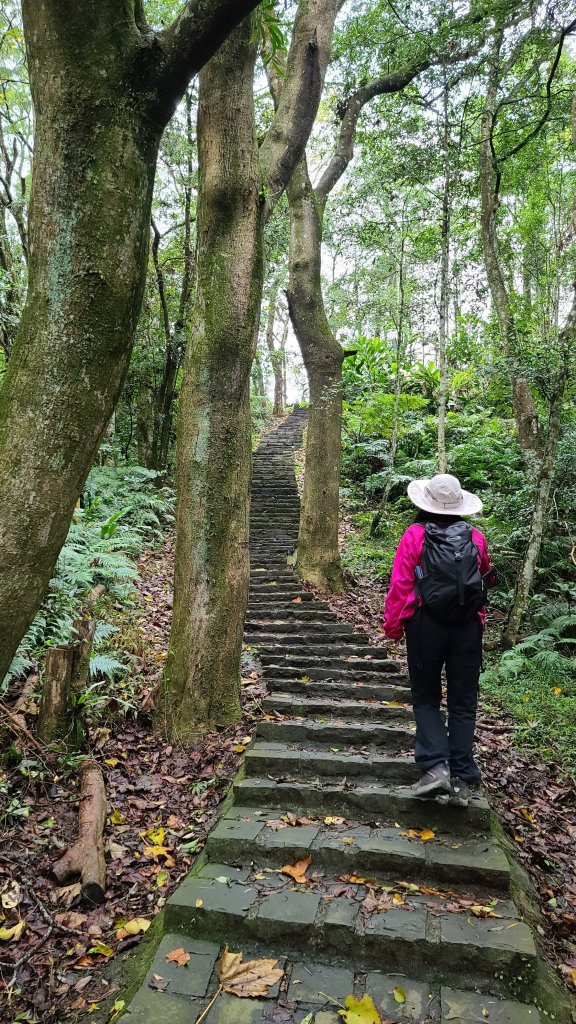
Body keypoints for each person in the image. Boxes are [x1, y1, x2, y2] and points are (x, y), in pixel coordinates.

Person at [383, 473, 495, 807]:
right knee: (463, 700)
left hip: (425, 625)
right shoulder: (476, 537)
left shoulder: (414, 535)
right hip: (467, 628)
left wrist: (393, 626)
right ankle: (461, 773)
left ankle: (435, 768)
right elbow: (484, 578)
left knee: (426, 697)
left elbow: (401, 584)